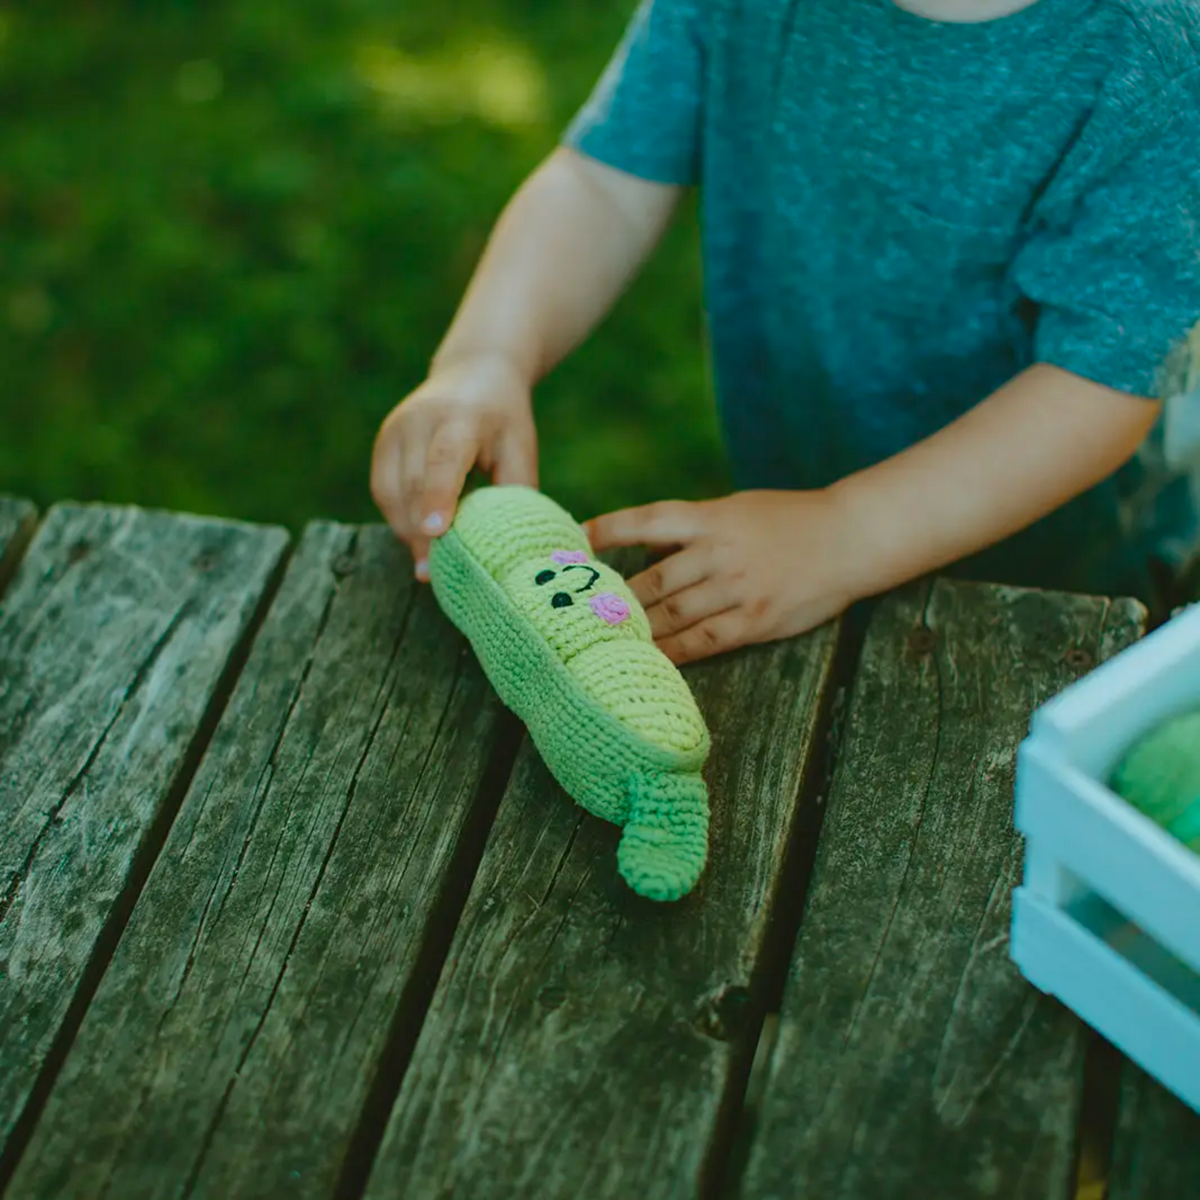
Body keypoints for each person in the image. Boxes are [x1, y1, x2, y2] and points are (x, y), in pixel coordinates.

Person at [371, 0, 1200, 664]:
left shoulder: (1149, 45)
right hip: (795, 511)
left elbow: (1099, 377)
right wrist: (486, 355)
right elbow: (604, 181)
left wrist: (844, 532)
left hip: (1052, 587)